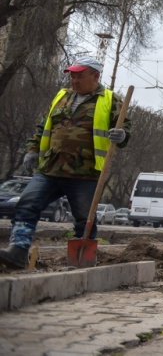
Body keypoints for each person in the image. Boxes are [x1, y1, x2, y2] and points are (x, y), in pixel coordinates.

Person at [0, 57, 131, 269]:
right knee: (27, 203)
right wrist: (32, 150)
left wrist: (122, 135)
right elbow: (44, 126)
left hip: (85, 173)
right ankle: (18, 250)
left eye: (80, 76)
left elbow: (125, 128)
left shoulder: (110, 100)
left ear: (95, 76)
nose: (74, 80)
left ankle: (81, 262)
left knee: (84, 219)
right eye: (72, 75)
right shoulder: (62, 96)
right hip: (50, 168)